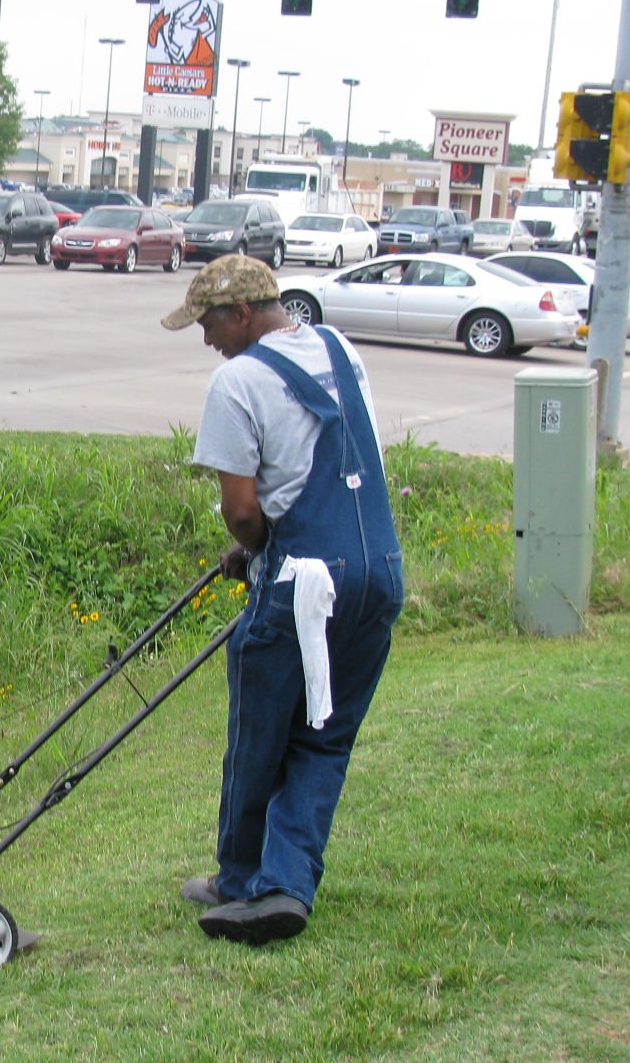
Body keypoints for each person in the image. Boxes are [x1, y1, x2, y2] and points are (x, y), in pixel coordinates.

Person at [161, 255, 403, 946]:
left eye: (208, 323)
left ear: (241, 314)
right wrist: (267, 536)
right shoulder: (338, 346)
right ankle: (288, 883)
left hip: (302, 580)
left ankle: (241, 879)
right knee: (324, 738)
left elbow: (242, 511)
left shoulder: (237, 379)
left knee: (259, 734)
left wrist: (257, 542)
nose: (206, 338)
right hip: (376, 571)